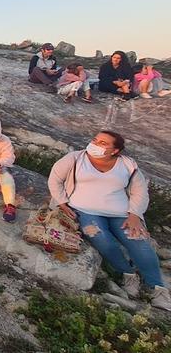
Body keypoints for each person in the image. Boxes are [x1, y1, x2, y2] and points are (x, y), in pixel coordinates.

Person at [48, 131, 171, 311]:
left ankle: (158, 290)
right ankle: (128, 273)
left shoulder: (128, 165)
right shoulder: (75, 159)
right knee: (101, 238)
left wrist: (135, 215)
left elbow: (140, 192)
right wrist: (62, 202)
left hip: (121, 213)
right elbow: (55, 179)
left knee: (139, 242)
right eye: (95, 140)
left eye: (103, 143)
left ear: (115, 151)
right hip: (85, 210)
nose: (96, 144)